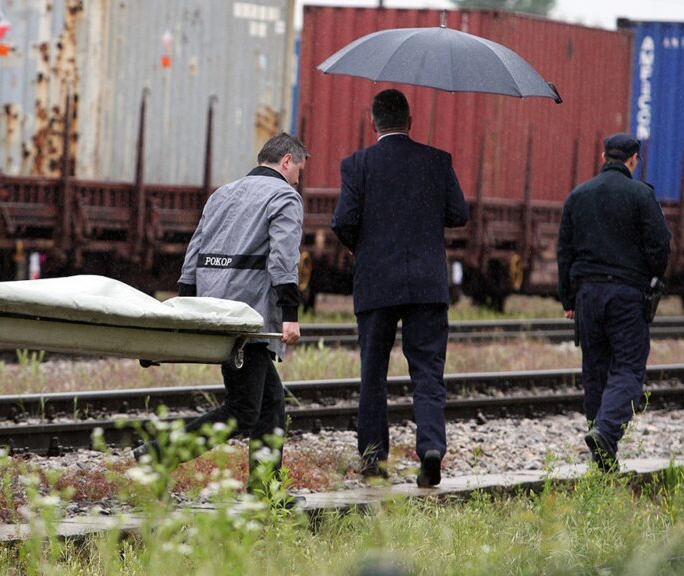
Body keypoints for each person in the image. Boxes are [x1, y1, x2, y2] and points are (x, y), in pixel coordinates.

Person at [134, 132, 306, 501]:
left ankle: (266, 489)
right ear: (286, 161)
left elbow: (194, 253)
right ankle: (159, 454)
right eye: (299, 170)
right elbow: (283, 259)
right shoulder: (284, 196)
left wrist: (187, 310)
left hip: (215, 309)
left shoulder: (222, 193)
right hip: (250, 316)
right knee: (243, 410)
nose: (297, 180)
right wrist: (290, 314)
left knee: (271, 403)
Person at [331, 89, 469, 487]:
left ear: (372, 122)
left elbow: (343, 221)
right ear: (410, 122)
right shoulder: (437, 160)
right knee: (428, 370)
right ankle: (431, 448)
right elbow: (459, 214)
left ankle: (374, 459)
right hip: (427, 283)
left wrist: (366, 249)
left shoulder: (356, 164)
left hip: (376, 282)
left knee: (373, 372)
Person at [557, 133, 671, 472]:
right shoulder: (641, 195)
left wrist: (568, 298)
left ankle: (602, 455)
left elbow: (564, 251)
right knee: (628, 369)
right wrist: (651, 276)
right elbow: (660, 246)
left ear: (603, 156)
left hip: (587, 295)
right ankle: (605, 432)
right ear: (634, 159)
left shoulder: (578, 195)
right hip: (626, 295)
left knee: (595, 372)